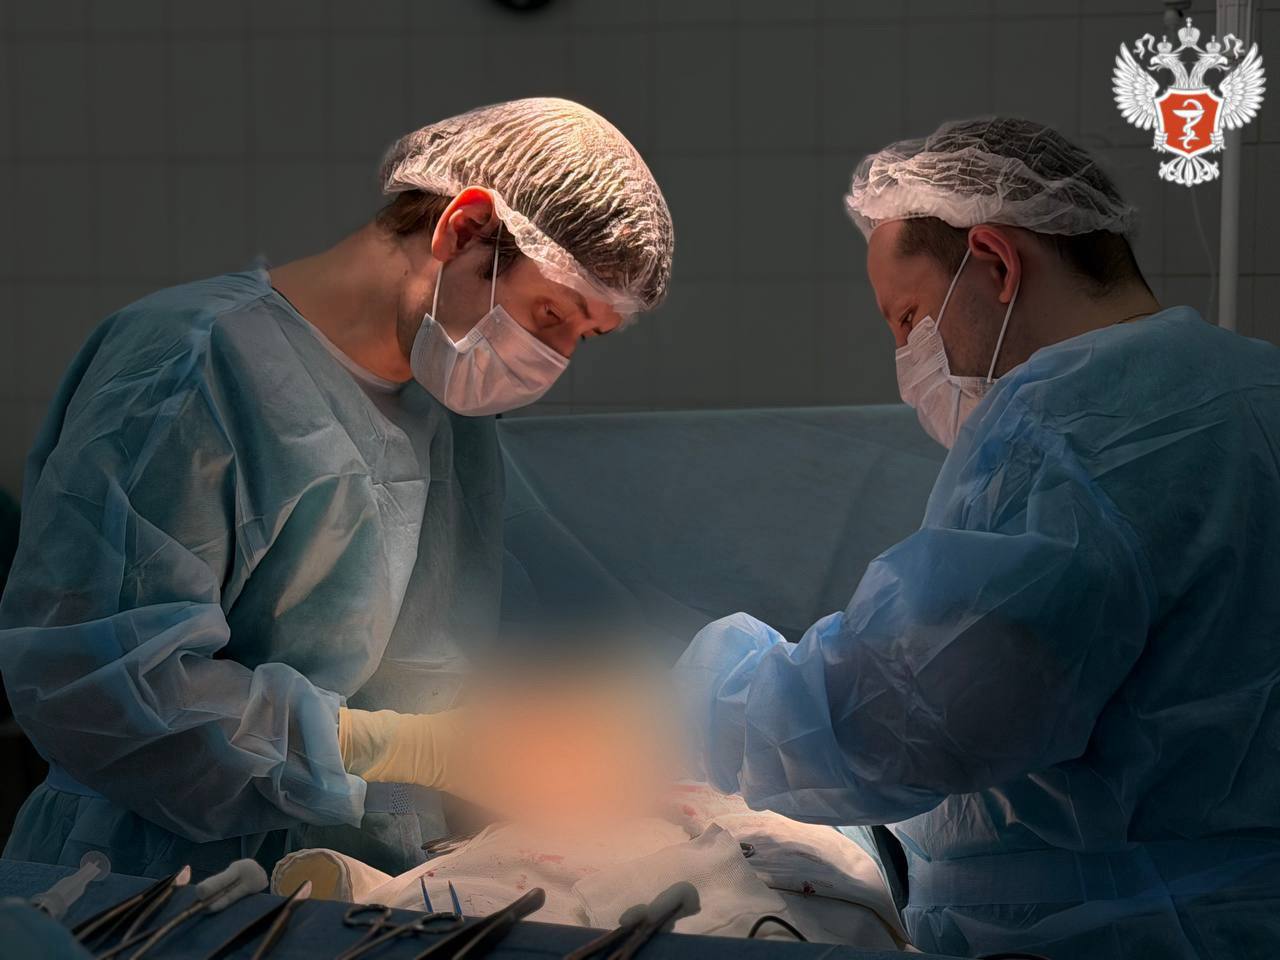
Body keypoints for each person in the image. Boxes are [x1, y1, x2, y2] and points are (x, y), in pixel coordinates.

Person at [0, 97, 674, 880]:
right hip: (155, 881)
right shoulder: (190, 367)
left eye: (583, 337)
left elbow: (446, 653)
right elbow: (98, 688)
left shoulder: (444, 408)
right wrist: (402, 746)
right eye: (550, 313)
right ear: (463, 229)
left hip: (365, 877)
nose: (553, 357)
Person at [676, 117, 1280, 959]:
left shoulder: (1069, 426)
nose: (907, 359)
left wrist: (694, 704)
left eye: (910, 318)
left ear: (995, 263)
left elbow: (907, 719)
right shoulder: (1256, 387)